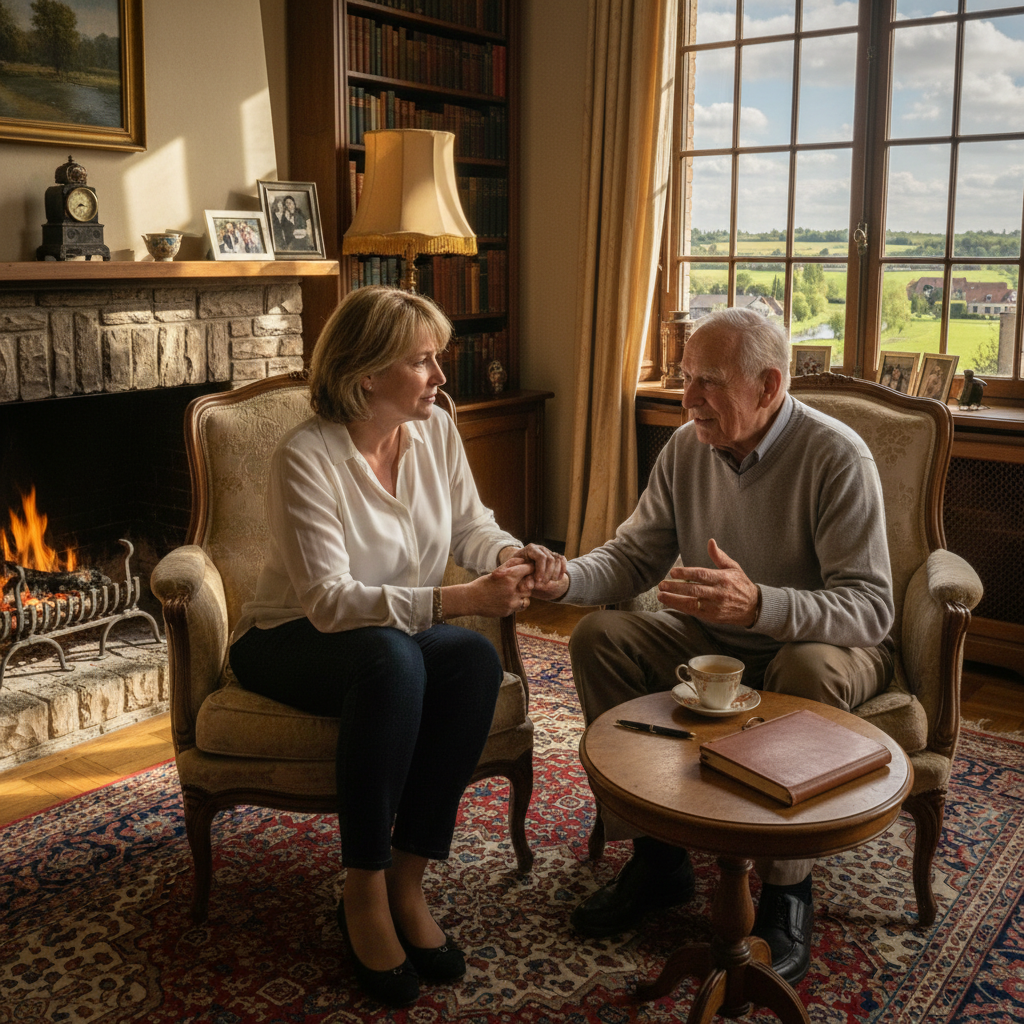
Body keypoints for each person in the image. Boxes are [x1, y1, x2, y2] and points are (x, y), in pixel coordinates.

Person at [531, 307, 894, 985]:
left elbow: (871, 610)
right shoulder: (684, 449)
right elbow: (633, 557)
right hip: (714, 637)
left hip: (824, 642)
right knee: (600, 636)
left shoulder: (836, 456)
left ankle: (786, 889)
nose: (687, 397)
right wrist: (565, 578)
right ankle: (658, 857)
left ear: (769, 385)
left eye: (709, 381)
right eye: (685, 377)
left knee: (803, 666)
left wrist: (759, 605)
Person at [228, 286, 564, 1007]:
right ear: (365, 373)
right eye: (421, 361)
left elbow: (471, 525)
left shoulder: (435, 429)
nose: (441, 375)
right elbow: (329, 602)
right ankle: (363, 891)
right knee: (394, 660)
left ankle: (408, 881)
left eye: (437, 357)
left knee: (472, 660)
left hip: (392, 634)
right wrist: (462, 601)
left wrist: (511, 554)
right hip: (288, 637)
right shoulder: (305, 457)